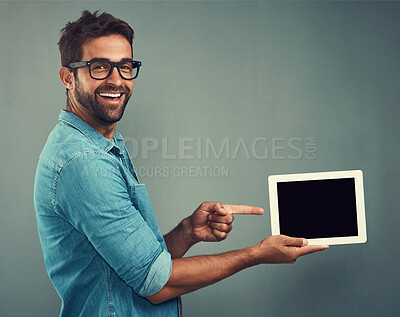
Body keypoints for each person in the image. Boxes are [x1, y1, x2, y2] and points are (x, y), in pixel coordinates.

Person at [34, 10, 329, 317]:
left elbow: (137, 264)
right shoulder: (84, 163)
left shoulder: (104, 145)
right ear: (68, 77)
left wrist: (188, 231)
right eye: (99, 67)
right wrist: (257, 254)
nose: (117, 80)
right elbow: (157, 284)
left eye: (125, 67)